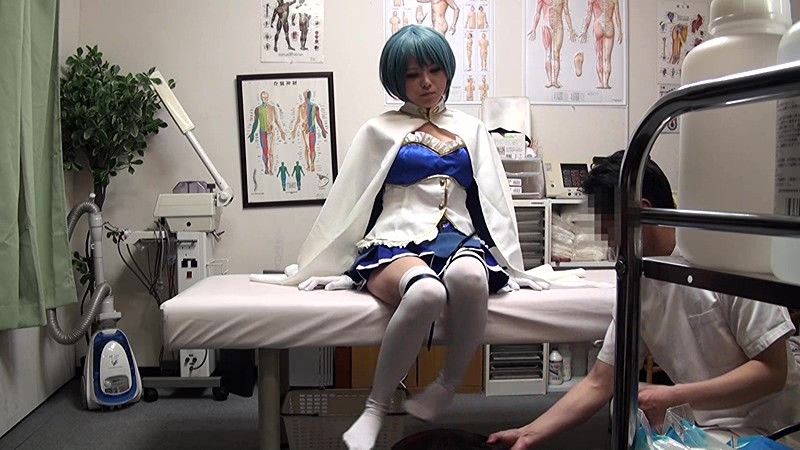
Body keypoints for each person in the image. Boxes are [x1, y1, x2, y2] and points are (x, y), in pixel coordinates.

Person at [269, 25, 549, 450]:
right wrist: (341, 265)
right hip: (395, 240)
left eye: (435, 70)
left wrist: (510, 263)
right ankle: (375, 408)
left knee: (471, 279)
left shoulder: (471, 130)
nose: (426, 82)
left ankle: (447, 384)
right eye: (413, 74)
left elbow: (489, 201)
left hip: (456, 238)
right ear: (396, 80)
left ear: (447, 71)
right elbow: (355, 201)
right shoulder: (378, 130)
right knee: (426, 294)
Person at [488, 150, 800, 449]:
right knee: (624, 409)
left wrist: (674, 395)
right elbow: (600, 381)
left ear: (642, 212)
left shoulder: (723, 260)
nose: (609, 245)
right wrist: (529, 433)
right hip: (704, 430)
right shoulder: (637, 281)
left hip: (770, 431)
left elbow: (773, 371)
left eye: (609, 231)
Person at [528, 0, 578, 89]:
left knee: (556, 54)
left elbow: (566, 13)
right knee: (548, 54)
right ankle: (549, 80)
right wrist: (533, 28)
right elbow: (537, 13)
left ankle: (554, 80)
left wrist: (571, 29)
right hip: (546, 25)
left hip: (558, 27)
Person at [579, 0, 622, 89]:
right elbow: (617, 16)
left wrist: (585, 30)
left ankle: (601, 83)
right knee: (607, 58)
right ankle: (606, 83)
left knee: (599, 56)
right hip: (609, 25)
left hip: (598, 25)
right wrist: (620, 32)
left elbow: (589, 15)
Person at [248, 91, 287, 175]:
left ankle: (271, 169)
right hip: (262, 132)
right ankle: (266, 166)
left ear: (268, 98)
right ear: (261, 98)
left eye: (265, 98)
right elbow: (255, 122)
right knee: (265, 152)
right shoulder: (258, 109)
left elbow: (276, 120)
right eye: (262, 98)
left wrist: (281, 131)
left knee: (271, 152)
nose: (264, 99)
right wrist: (252, 133)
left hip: (271, 132)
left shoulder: (272, 108)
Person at [290, 89, 328, 172]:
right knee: (307, 148)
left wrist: (323, 129)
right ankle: (308, 165)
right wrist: (294, 130)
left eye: (306, 95)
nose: (305, 96)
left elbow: (318, 119)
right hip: (304, 130)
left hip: (312, 129)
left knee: (312, 148)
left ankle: (312, 164)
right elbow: (298, 119)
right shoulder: (301, 107)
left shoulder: (315, 107)